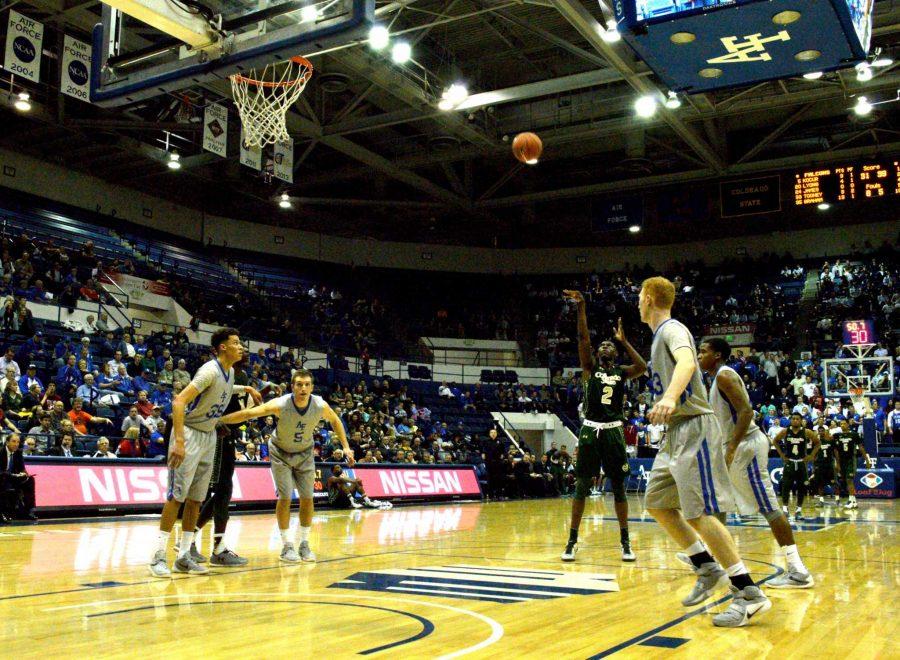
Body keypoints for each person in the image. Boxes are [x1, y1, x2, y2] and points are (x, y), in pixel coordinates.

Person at [638, 276, 769, 627]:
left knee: (699, 513)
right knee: (658, 503)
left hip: (693, 427)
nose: (638, 301)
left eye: (639, 295)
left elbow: (687, 363)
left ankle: (749, 594)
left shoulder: (672, 329)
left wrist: (668, 396)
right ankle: (706, 566)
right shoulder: (657, 336)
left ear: (648, 298)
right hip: (674, 432)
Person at [698, 338, 813, 588]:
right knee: (718, 500)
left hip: (745, 446)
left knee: (769, 507)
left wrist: (731, 448)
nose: (699, 356)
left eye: (703, 352)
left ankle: (798, 571)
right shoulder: (717, 376)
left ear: (717, 355)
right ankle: (709, 558)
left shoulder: (724, 376)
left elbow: (747, 412)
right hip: (734, 447)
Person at [220, 369, 355, 563]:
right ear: (292, 387)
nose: (303, 388)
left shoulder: (319, 404)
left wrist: (346, 447)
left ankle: (304, 543)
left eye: (307, 384)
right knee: (285, 497)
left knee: (308, 498)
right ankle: (287, 545)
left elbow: (335, 420)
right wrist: (220, 420)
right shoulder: (281, 403)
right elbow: (249, 413)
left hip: (305, 453)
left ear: (312, 387)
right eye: (299, 384)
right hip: (280, 452)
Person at [148, 328, 250, 578]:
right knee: (177, 497)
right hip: (190, 433)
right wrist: (179, 441)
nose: (241, 347)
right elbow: (179, 401)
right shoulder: (209, 370)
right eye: (236, 343)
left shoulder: (229, 372)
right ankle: (158, 556)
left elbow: (224, 388)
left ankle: (183, 557)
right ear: (223, 347)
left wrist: (246, 389)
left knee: (196, 499)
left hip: (209, 435)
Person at [560, 291, 646, 563]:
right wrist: (582, 306)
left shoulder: (621, 372)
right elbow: (583, 338)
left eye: (611, 345)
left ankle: (625, 542)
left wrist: (625, 341)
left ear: (616, 352)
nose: (606, 346)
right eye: (603, 345)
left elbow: (642, 366)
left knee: (619, 488)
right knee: (582, 486)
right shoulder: (589, 368)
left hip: (613, 431)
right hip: (590, 430)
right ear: (597, 353)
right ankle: (572, 541)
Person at [771, 413, 819, 520]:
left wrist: (811, 455)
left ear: (801, 420)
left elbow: (817, 443)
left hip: (802, 462)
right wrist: (782, 455)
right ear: (790, 420)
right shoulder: (785, 431)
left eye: (797, 419)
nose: (795, 420)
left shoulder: (806, 432)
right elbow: (775, 441)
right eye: (793, 419)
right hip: (790, 462)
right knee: (786, 486)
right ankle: (785, 509)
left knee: (801, 487)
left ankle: (798, 510)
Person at [834, 420, 871, 510]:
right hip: (842, 461)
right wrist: (837, 463)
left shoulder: (854, 435)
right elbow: (836, 451)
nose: (842, 425)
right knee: (846, 481)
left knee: (849, 480)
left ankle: (851, 501)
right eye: (841, 424)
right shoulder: (837, 436)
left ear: (848, 425)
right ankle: (853, 501)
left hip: (851, 459)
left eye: (844, 424)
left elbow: (861, 448)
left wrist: (867, 460)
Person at [0, 434, 36, 522]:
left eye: (18, 442)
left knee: (30, 480)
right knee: (3, 480)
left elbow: (22, 469)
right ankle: (2, 513)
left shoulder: (18, 453)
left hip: (13, 478)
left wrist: (23, 474)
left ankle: (28, 511)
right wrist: (10, 475)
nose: (16, 444)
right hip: (2, 477)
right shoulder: (1, 452)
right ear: (7, 442)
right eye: (13, 441)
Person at [812, 424, 839, 506]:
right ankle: (821, 500)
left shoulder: (830, 440)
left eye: (822, 431)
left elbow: (835, 452)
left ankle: (837, 499)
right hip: (820, 464)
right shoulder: (816, 442)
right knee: (820, 483)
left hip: (829, 464)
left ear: (825, 431)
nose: (821, 432)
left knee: (834, 483)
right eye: (819, 431)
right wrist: (814, 466)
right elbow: (814, 455)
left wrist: (837, 463)